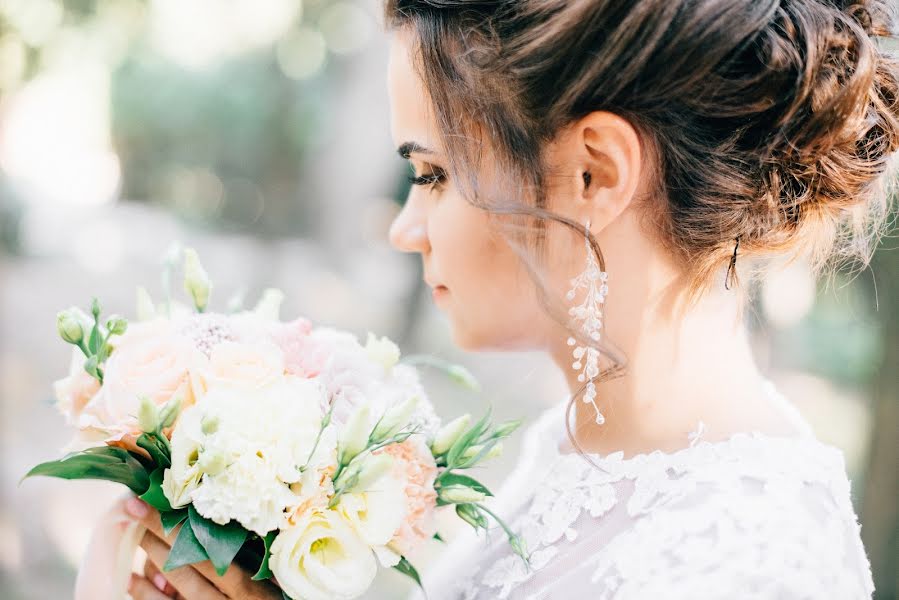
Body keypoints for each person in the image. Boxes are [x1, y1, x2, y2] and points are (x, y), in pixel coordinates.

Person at [84, 0, 899, 598]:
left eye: (432, 174)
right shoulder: (588, 445)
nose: (406, 227)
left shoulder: (745, 568)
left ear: (595, 175)